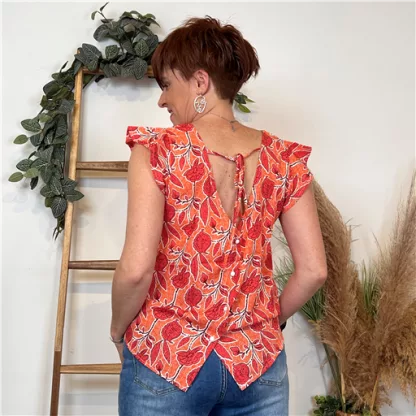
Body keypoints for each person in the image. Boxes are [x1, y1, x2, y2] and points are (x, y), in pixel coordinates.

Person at [110, 16, 327, 416]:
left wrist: (117, 330)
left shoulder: (157, 150)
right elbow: (313, 271)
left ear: (200, 82)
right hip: (256, 363)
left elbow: (136, 270)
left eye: (166, 85)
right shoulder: (285, 160)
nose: (161, 100)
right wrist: (262, 324)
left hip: (168, 354)